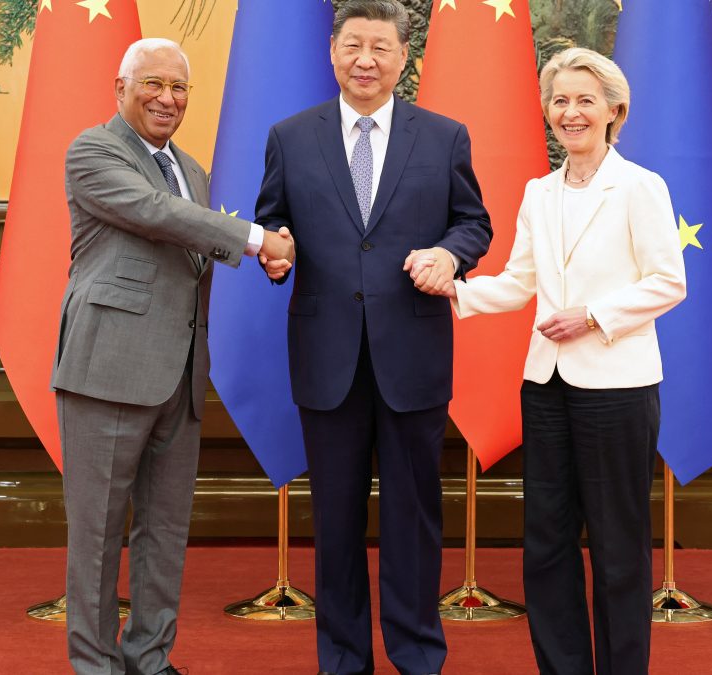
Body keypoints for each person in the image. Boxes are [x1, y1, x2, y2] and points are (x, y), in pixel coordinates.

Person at [422, 47, 686, 674]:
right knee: (545, 544)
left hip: (617, 389)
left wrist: (593, 317)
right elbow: (520, 282)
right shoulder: (539, 192)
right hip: (545, 385)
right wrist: (451, 288)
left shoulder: (641, 186)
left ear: (615, 111)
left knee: (618, 547)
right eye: (560, 101)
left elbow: (668, 282)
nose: (571, 112)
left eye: (585, 100)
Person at [254, 1, 492, 672]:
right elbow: (273, 221)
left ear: (403, 57)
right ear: (332, 51)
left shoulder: (443, 136)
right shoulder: (290, 137)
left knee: (413, 516)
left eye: (380, 47)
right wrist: (276, 253)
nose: (365, 60)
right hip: (326, 356)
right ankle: (343, 658)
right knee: (335, 518)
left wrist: (449, 254)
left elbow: (473, 223)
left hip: (412, 354)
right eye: (353, 45)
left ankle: (417, 655)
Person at [51, 38, 294, 675]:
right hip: (107, 370)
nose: (167, 98)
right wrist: (257, 239)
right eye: (153, 84)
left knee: (164, 530)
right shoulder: (94, 150)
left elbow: (190, 244)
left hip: (180, 373)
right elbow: (154, 213)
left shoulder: (191, 168)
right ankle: (96, 666)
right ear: (121, 89)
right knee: (98, 534)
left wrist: (267, 256)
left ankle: (150, 659)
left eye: (179, 87)